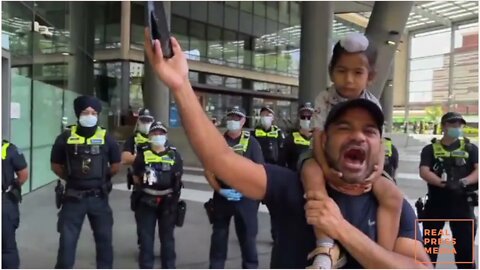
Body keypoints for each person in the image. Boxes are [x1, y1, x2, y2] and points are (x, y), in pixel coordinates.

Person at [142, 28, 432, 269]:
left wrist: (340, 228)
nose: (358, 136)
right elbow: (220, 158)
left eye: (369, 130)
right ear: (324, 137)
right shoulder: (291, 188)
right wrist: (181, 86)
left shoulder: (393, 206)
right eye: (344, 127)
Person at [300, 32, 404, 268]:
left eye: (357, 72)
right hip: (321, 156)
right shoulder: (324, 98)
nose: (348, 79)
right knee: (312, 179)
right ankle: (325, 245)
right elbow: (317, 137)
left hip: (363, 163)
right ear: (331, 72)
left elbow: (379, 141)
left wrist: (376, 173)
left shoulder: (373, 102)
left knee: (393, 195)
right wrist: (325, 168)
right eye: (341, 71)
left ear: (371, 77)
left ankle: (381, 255)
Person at [50, 95, 121, 269]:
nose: (89, 115)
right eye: (85, 112)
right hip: (73, 199)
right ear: (77, 114)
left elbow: (116, 165)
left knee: (104, 243)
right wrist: (72, 179)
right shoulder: (65, 137)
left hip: (99, 198)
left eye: (93, 112)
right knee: (67, 244)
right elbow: (56, 165)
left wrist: (100, 179)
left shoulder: (106, 138)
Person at [204, 106, 264, 269]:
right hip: (223, 197)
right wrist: (220, 190)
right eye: (230, 117)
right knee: (219, 237)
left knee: (248, 239)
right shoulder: (217, 142)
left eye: (237, 118)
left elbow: (259, 170)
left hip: (246, 199)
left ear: (243, 121)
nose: (233, 121)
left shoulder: (251, 143)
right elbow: (208, 171)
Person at [419, 112, 478, 269]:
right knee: (429, 251)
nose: (457, 128)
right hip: (436, 204)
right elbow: (424, 171)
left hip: (463, 206)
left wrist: (463, 182)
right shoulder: (430, 149)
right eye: (453, 124)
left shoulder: (471, 148)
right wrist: (443, 184)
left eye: (459, 125)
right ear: (444, 126)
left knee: (465, 252)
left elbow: (478, 171)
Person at [132, 121, 184, 269]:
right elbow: (136, 176)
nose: (158, 136)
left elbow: (178, 176)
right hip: (146, 201)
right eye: (155, 133)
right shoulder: (142, 154)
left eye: (161, 133)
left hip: (168, 202)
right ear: (149, 136)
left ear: (166, 136)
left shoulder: (174, 154)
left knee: (167, 240)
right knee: (146, 239)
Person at [121, 108, 155, 247]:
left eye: (148, 120)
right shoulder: (133, 139)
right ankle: (144, 246)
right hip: (139, 183)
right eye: (143, 120)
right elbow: (125, 158)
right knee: (142, 219)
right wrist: (148, 157)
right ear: (138, 121)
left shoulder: (158, 135)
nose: (146, 123)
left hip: (159, 182)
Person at [252, 105, 286, 243]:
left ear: (273, 117)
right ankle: (249, 235)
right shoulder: (255, 133)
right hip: (257, 173)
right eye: (263, 114)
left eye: (268, 114)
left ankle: (276, 235)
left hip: (273, 174)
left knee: (275, 208)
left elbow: (282, 154)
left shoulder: (278, 133)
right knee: (251, 206)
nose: (265, 117)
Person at [2, 140, 28, 269]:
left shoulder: (9, 149)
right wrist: (12, 186)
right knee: (7, 247)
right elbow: (23, 175)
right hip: (4, 202)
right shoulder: (9, 148)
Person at [284, 102, 314, 171]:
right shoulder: (291, 138)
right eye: (303, 117)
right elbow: (282, 161)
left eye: (309, 117)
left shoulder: (319, 138)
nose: (306, 120)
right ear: (299, 118)